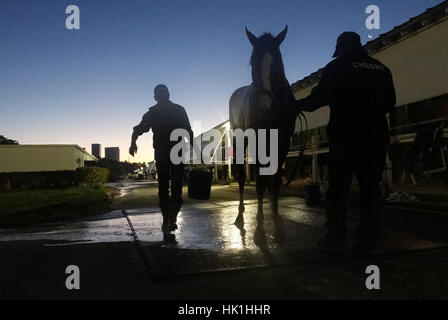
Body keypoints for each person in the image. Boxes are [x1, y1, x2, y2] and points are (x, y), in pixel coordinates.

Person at [296, 32, 396, 255]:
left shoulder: (337, 68)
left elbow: (317, 99)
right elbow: (391, 103)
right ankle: (366, 241)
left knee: (338, 191)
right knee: (370, 191)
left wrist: (294, 105)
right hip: (375, 140)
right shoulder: (381, 68)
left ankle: (336, 237)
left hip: (346, 140)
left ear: (340, 49)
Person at [129, 84, 193, 236]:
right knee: (176, 186)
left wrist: (133, 143)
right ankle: (171, 219)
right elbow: (188, 131)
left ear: (155, 97)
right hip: (176, 153)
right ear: (168, 95)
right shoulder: (179, 109)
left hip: (163, 153)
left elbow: (137, 129)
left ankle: (167, 219)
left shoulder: (154, 112)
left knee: (164, 187)